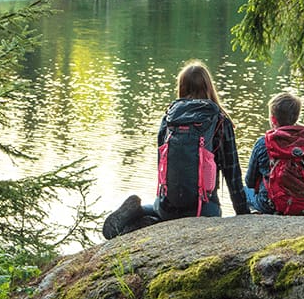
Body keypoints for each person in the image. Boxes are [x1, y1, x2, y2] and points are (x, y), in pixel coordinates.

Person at [103, 60, 250, 239]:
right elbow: (232, 173)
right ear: (209, 87)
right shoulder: (219, 120)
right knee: (204, 210)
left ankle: (139, 211)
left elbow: (162, 167)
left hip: (168, 208)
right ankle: (147, 214)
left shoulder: (169, 118)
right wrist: (243, 214)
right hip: (203, 211)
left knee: (156, 208)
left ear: (181, 87)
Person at [245, 91, 304, 215]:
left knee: (244, 191)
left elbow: (249, 181)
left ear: (273, 119)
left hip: (272, 205)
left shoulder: (263, 143)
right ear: (296, 117)